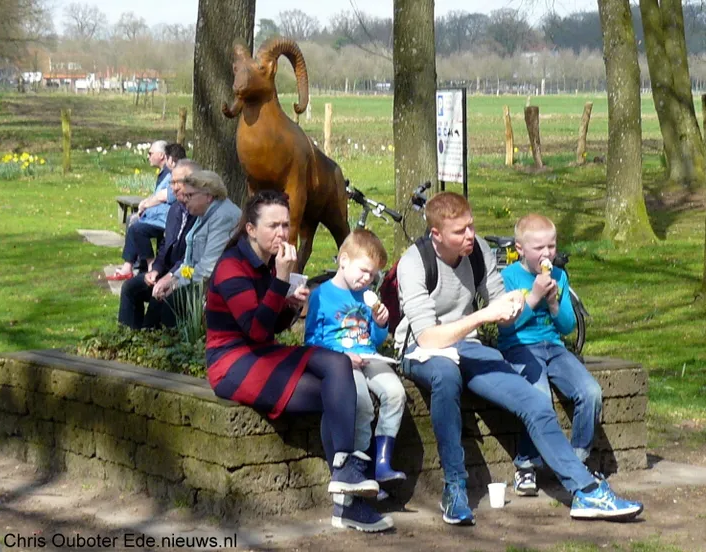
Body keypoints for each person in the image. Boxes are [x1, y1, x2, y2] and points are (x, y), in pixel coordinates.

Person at [395, 191, 643, 526]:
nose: (470, 235)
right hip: (422, 350)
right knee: (446, 377)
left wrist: (524, 302)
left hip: (468, 347)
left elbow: (504, 307)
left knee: (535, 401)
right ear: (436, 234)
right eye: (460, 231)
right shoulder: (414, 262)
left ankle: (585, 490)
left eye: (471, 226)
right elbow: (428, 337)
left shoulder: (477, 251)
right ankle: (455, 488)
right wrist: (484, 316)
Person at [206, 191, 389, 533]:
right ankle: (347, 499)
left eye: (286, 225)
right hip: (231, 362)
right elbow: (255, 331)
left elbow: (271, 327)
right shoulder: (233, 265)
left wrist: (289, 305)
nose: (282, 233)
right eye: (273, 225)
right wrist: (280, 281)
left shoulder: (268, 261)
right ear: (250, 229)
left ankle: (344, 474)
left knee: (337, 365)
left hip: (261, 353)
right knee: (333, 393)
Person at [498, 213, 604, 496]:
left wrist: (554, 303)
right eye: (539, 248)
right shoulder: (509, 277)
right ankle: (526, 464)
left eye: (552, 246)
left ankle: (577, 459)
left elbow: (567, 327)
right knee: (538, 399)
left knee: (591, 392)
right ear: (520, 249)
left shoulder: (559, 276)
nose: (547, 254)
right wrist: (533, 297)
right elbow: (506, 328)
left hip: (553, 346)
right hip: (519, 346)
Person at [304, 229, 407, 500]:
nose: (367, 279)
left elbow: (375, 339)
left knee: (395, 392)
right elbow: (312, 341)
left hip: (369, 356)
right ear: (343, 260)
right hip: (341, 363)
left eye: (372, 275)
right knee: (361, 403)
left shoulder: (366, 296)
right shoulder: (321, 295)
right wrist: (342, 357)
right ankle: (359, 472)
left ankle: (382, 462)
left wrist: (381, 323)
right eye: (363, 271)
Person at [147, 169, 240, 327]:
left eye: (190, 195)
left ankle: (172, 341)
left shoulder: (223, 217)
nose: (184, 200)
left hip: (218, 287)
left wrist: (177, 284)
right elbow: (189, 265)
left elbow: (208, 269)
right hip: (199, 281)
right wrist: (174, 278)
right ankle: (147, 337)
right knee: (157, 297)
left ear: (208, 196)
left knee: (172, 301)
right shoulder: (203, 213)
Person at [117, 159, 200, 329]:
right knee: (130, 288)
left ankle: (149, 336)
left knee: (160, 298)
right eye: (171, 182)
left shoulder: (200, 215)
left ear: (193, 182)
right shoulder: (175, 210)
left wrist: (168, 277)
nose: (173, 188)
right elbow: (164, 246)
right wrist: (155, 270)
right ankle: (127, 335)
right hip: (165, 273)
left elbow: (192, 260)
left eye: (177, 182)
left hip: (186, 276)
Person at [108, 141, 182, 280]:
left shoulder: (173, 174)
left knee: (136, 227)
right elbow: (158, 195)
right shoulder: (166, 174)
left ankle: (149, 265)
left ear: (164, 157)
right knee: (133, 221)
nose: (148, 156)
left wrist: (145, 205)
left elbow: (165, 196)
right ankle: (131, 265)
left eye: (150, 153)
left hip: (164, 219)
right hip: (158, 216)